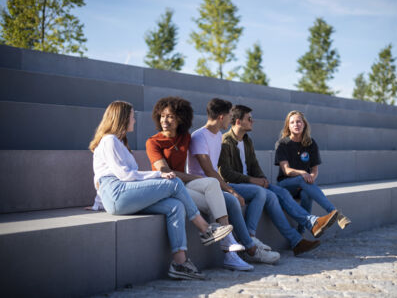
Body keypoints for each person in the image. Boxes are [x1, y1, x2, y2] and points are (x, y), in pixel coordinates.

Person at [89, 100, 233, 280]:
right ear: (123, 118)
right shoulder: (109, 140)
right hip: (118, 192)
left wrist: (97, 204)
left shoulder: (119, 142)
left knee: (175, 206)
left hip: (121, 194)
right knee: (174, 182)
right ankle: (205, 228)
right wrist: (158, 175)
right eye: (133, 116)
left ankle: (179, 263)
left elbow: (106, 175)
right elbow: (124, 175)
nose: (134, 120)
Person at [146, 96, 253, 271]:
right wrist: (197, 178)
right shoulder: (153, 142)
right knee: (213, 190)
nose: (165, 120)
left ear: (180, 118)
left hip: (185, 186)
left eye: (170, 116)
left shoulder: (185, 138)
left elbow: (206, 136)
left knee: (213, 190)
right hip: (168, 189)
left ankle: (229, 248)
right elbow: (165, 173)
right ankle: (229, 247)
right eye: (162, 116)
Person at [218, 105, 339, 255]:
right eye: (249, 119)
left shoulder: (247, 141)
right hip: (234, 185)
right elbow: (225, 174)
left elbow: (254, 165)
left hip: (250, 182)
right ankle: (254, 236)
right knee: (267, 194)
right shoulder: (225, 142)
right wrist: (253, 180)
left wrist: (262, 179)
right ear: (238, 122)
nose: (252, 121)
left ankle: (299, 238)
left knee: (279, 192)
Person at [187, 98, 281, 265]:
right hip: (199, 185)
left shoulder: (217, 136)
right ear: (222, 117)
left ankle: (248, 240)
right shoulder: (199, 136)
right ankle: (250, 248)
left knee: (258, 192)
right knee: (232, 200)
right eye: (230, 115)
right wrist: (232, 191)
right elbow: (209, 171)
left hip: (214, 184)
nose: (231, 119)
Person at [275, 111, 351, 233]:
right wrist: (303, 174)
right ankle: (335, 213)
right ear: (288, 126)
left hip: (304, 184)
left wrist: (311, 177)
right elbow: (286, 170)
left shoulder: (310, 143)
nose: (296, 124)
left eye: (299, 121)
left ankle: (301, 232)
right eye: (292, 122)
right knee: (301, 179)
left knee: (307, 194)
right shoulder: (282, 144)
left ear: (304, 124)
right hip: (286, 185)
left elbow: (315, 170)